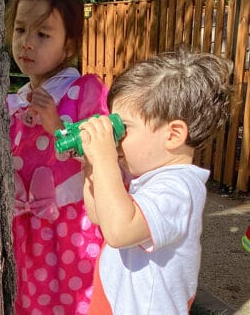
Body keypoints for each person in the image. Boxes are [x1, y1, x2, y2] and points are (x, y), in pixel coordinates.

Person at [79, 46, 233, 314]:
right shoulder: (152, 178)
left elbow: (119, 231)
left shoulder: (179, 189)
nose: (115, 140)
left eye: (123, 129)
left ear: (173, 135)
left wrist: (104, 160)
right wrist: (92, 168)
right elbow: (99, 216)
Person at [5, 0, 109, 314]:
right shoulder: (13, 102)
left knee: (74, 303)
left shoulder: (84, 91)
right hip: (24, 232)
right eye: (20, 30)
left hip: (70, 231)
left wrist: (57, 126)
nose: (27, 44)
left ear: (69, 45)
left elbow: (103, 153)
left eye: (42, 34)